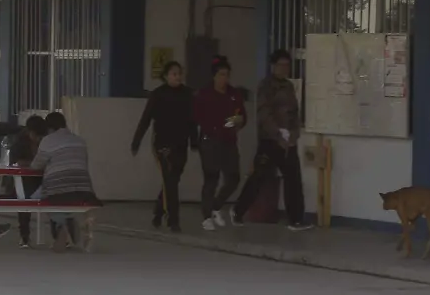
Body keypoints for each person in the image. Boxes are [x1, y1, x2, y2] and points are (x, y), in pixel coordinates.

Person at [233, 49, 313, 231]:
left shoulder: (289, 86)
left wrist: (293, 134)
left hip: (288, 141)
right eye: (280, 65)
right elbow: (264, 113)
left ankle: (296, 219)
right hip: (270, 140)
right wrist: (277, 133)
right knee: (259, 177)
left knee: (293, 178)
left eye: (287, 65)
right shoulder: (266, 86)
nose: (284, 69)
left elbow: (295, 112)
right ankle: (238, 210)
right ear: (273, 66)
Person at [131, 61, 197, 233]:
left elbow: (192, 120)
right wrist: (136, 141)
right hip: (162, 144)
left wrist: (194, 141)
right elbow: (145, 119)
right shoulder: (158, 94)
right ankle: (173, 219)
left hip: (181, 144)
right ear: (166, 76)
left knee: (173, 181)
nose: (177, 77)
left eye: (179, 73)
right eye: (173, 74)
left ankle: (158, 212)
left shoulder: (187, 94)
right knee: (170, 181)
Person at [31, 111, 100, 252]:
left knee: (36, 198)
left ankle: (62, 225)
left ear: (49, 128)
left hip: (58, 189)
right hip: (84, 190)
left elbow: (35, 166)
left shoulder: (47, 140)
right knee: (58, 197)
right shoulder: (80, 141)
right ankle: (67, 222)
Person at [193, 56, 247, 231]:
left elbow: (242, 117)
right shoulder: (204, 94)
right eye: (222, 74)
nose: (225, 78)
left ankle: (216, 205)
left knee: (233, 177)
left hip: (229, 141)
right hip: (210, 141)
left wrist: (236, 122)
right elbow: (202, 119)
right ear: (214, 76)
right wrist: (224, 124)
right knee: (212, 178)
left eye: (227, 75)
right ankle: (207, 216)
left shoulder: (234, 94)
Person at [9, 114, 48, 248]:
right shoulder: (19, 143)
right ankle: (24, 236)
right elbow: (16, 162)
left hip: (43, 177)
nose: (38, 139)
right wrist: (35, 164)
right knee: (24, 198)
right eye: (36, 136)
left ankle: (61, 233)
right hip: (25, 179)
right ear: (29, 132)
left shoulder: (46, 140)